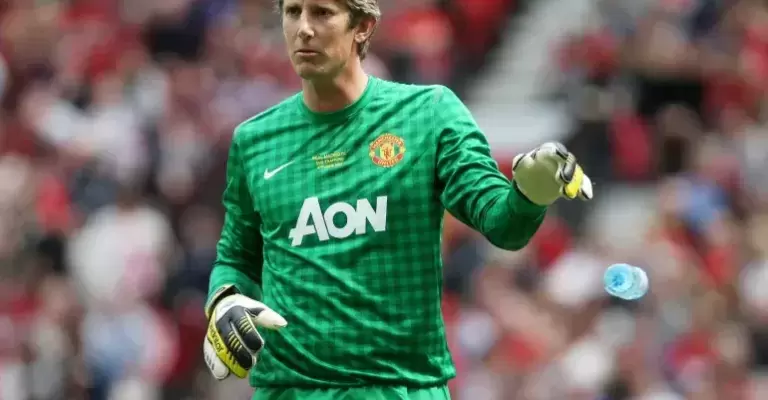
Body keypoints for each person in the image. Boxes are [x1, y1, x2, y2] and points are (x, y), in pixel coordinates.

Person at [202, 1, 594, 399]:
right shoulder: (254, 141)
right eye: (293, 12)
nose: (303, 28)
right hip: (288, 392)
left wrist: (529, 195)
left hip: (398, 389)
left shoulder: (429, 115)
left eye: (322, 13)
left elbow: (502, 224)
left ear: (363, 26)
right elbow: (236, 257)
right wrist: (224, 300)